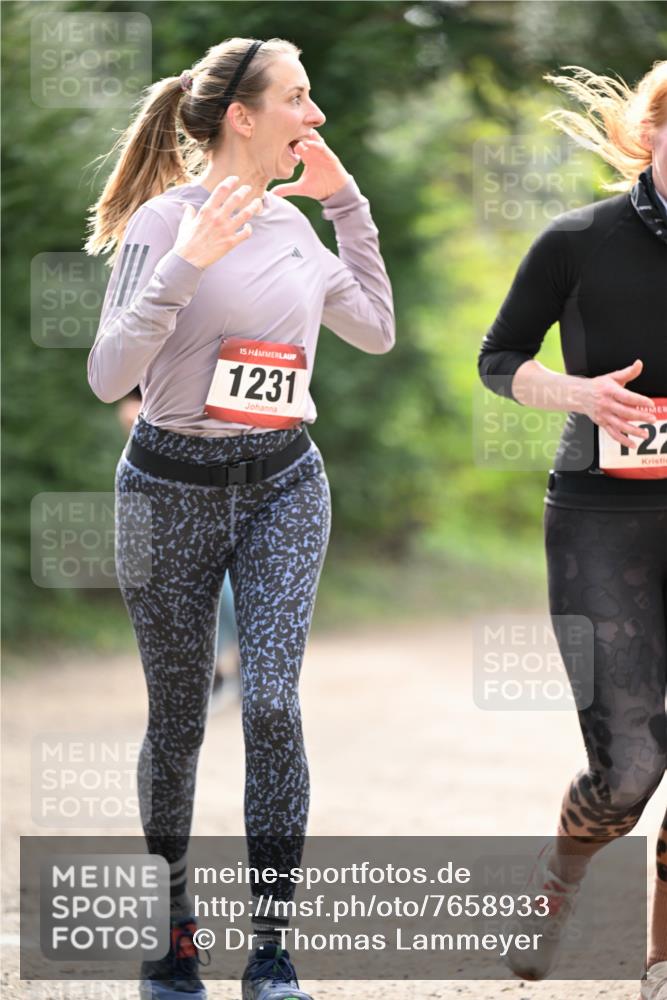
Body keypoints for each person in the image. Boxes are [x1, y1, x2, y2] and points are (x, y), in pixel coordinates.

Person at [84, 36, 395, 1000]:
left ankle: (271, 953)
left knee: (268, 704)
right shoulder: (161, 224)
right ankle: (170, 944)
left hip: (283, 484)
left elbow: (376, 331)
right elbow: (107, 377)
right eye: (300, 99)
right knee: (178, 723)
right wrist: (186, 263)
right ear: (242, 118)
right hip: (168, 487)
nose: (316, 116)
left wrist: (345, 204)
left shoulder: (297, 229)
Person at [478, 61, 666, 998]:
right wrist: (576, 393)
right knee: (629, 772)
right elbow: (497, 356)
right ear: (651, 136)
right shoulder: (579, 239)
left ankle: (660, 960)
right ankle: (560, 877)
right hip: (604, 516)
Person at [117, 388, 241, 713]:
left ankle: (241, 665)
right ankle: (209, 675)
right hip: (174, 483)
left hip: (241, 479)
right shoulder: (163, 337)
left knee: (228, 588)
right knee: (189, 587)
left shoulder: (268, 338)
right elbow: (128, 404)